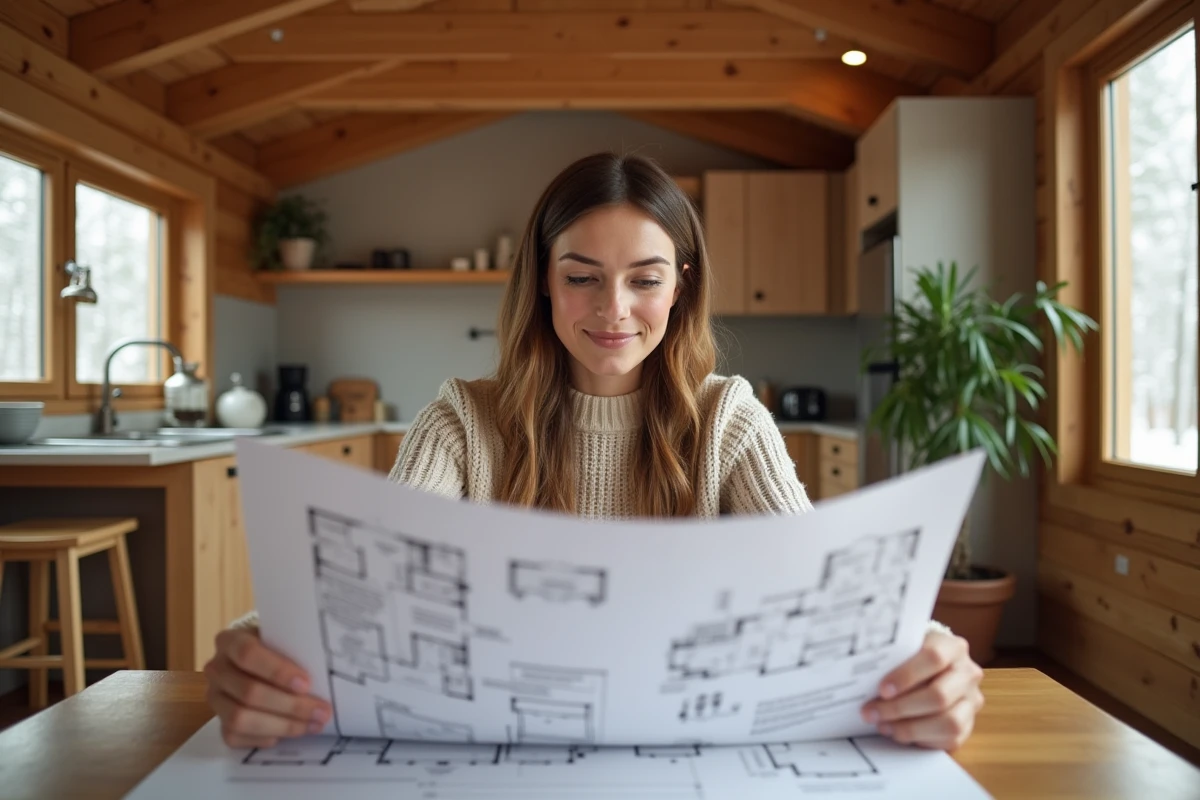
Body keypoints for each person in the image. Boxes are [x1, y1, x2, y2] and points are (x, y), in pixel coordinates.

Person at [203, 152, 984, 753]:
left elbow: (827, 603)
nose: (614, 311)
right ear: (543, 281)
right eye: (582, 278)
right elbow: (362, 596)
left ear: (680, 286)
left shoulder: (730, 420)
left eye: (644, 280)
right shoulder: (460, 421)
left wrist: (930, 650)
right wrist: (258, 644)